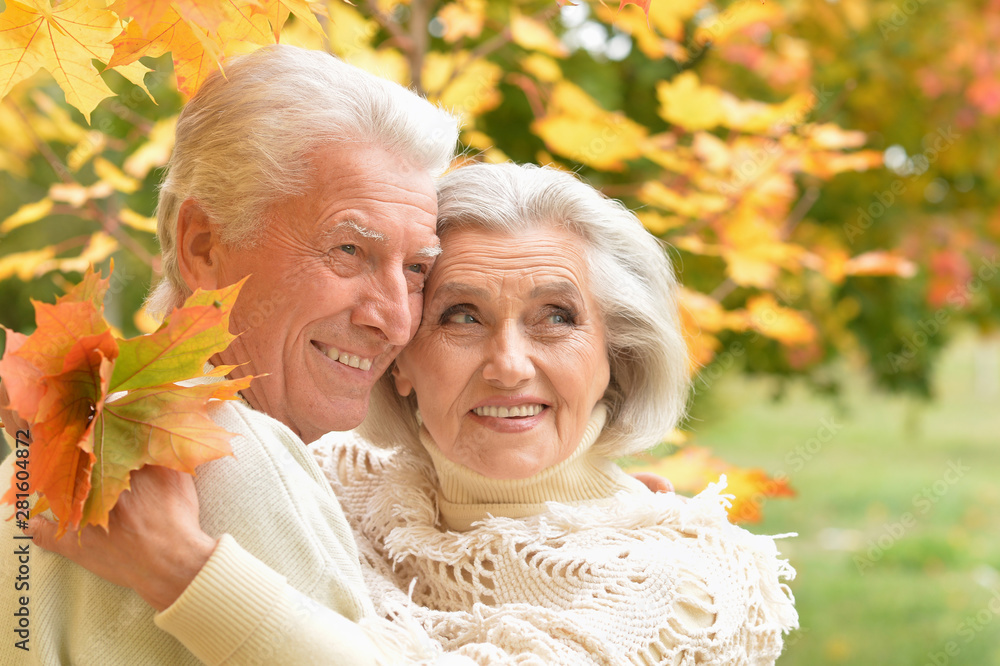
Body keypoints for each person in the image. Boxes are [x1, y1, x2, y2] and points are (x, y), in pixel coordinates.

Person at [0, 43, 461, 665]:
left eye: (414, 269)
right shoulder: (237, 449)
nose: (396, 318)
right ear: (204, 247)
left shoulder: (38, 460)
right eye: (349, 250)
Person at [307, 162, 799, 663]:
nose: (509, 366)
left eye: (556, 317)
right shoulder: (320, 482)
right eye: (463, 316)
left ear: (616, 352)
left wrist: (223, 578)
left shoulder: (694, 588)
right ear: (400, 358)